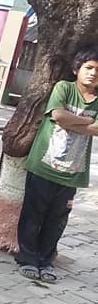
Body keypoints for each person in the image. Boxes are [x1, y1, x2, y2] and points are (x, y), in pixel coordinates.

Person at [15, 47, 98, 283]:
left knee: (57, 219)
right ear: (77, 69)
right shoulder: (64, 88)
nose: (93, 73)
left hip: (72, 172)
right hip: (44, 164)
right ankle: (27, 258)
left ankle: (45, 261)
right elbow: (58, 115)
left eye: (97, 70)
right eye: (88, 68)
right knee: (33, 214)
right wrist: (85, 121)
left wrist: (73, 123)